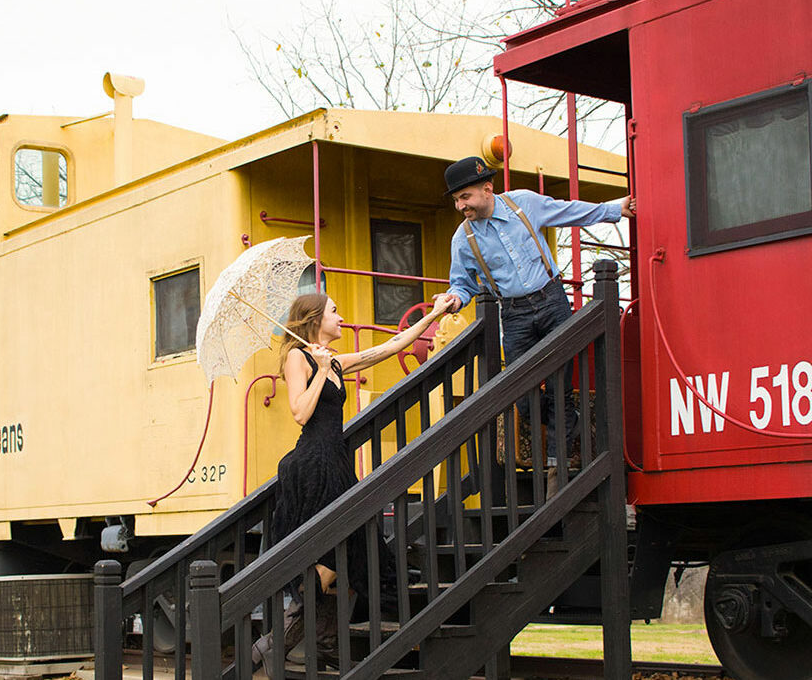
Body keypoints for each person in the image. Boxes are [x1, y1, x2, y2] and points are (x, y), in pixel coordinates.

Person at [252, 292, 454, 676]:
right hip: (312, 465)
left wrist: (436, 314)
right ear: (314, 319)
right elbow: (299, 412)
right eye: (335, 311)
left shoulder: (337, 363)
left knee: (345, 553)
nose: (342, 317)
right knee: (330, 555)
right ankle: (274, 643)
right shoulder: (299, 357)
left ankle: (313, 640)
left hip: (337, 464)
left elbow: (393, 345)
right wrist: (320, 369)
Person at [434, 156, 633, 496]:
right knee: (521, 394)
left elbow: (569, 212)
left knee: (558, 388)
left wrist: (614, 210)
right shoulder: (462, 238)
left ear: (486, 189)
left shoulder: (523, 204)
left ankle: (556, 470)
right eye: (455, 200)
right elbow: (462, 283)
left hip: (552, 301)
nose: (459, 206)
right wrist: (454, 299)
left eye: (464, 197)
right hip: (514, 315)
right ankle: (568, 424)